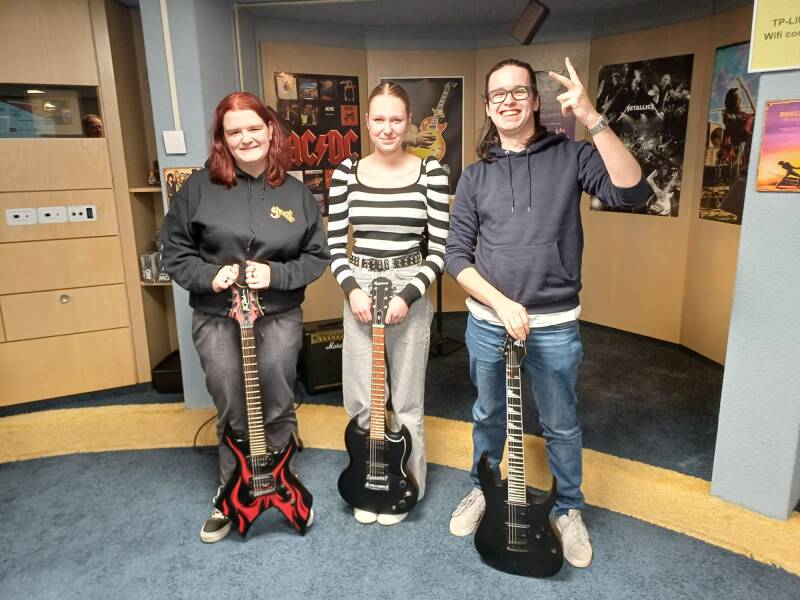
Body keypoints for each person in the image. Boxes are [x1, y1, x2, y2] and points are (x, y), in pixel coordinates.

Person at [445, 58, 648, 568]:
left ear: (536, 100)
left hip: (554, 325)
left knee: (560, 422)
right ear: (487, 106)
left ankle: (568, 509)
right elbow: (456, 258)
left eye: (519, 91)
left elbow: (631, 191)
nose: (508, 101)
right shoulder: (475, 175)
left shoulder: (571, 155)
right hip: (489, 323)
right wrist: (501, 303)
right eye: (498, 94)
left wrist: (592, 117)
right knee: (488, 414)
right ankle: (483, 488)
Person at [160, 91, 330, 543]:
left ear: (270, 130)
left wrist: (275, 274)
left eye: (254, 128)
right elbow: (174, 251)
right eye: (234, 131)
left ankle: (282, 481)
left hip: (277, 315)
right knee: (232, 404)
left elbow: (316, 256)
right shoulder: (198, 189)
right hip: (218, 317)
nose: (246, 138)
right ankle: (231, 492)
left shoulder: (295, 193)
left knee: (276, 400)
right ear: (222, 138)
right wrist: (208, 276)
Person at [327, 82, 450, 525]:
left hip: (408, 283)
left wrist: (408, 295)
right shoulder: (346, 173)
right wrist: (352, 290)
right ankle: (367, 480)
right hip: (360, 285)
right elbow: (335, 245)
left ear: (409, 122)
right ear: (367, 121)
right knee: (363, 397)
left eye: (396, 119)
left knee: (407, 400)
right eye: (378, 119)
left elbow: (439, 250)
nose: (387, 128)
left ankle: (405, 488)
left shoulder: (431, 173)